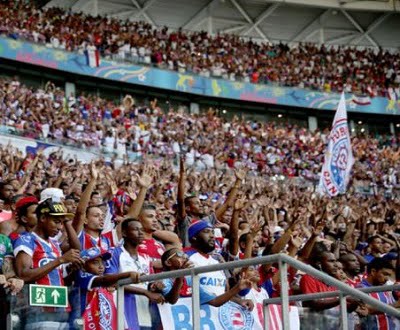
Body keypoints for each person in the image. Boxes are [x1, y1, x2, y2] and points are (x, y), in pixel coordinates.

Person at [13, 198, 83, 330]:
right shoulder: (26, 240)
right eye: (56, 222)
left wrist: (72, 269)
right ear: (43, 217)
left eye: (61, 223)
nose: (60, 227)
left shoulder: (54, 244)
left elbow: (76, 250)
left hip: (60, 308)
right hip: (37, 310)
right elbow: (24, 275)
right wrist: (60, 260)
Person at [105, 218, 164, 330]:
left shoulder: (145, 258)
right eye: (136, 229)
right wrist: (145, 292)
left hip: (144, 311)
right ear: (124, 233)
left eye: (141, 229)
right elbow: (110, 281)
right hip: (123, 310)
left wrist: (154, 286)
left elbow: (149, 283)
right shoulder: (114, 253)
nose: (141, 232)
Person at [186, 220, 253, 308]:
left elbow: (223, 293)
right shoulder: (186, 257)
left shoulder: (217, 261)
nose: (212, 236)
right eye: (206, 232)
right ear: (194, 237)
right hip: (195, 316)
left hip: (218, 317)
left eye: (213, 232)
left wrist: (239, 301)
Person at [76, 247, 140, 330]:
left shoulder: (104, 281)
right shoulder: (82, 276)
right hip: (84, 322)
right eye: (95, 263)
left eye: (102, 262)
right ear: (83, 266)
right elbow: (104, 280)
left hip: (100, 322)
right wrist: (127, 274)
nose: (101, 266)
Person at [358, 258, 400, 329]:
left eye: (389, 275)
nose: (387, 278)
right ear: (373, 272)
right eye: (385, 274)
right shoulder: (360, 289)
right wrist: (397, 304)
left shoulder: (384, 289)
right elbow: (367, 310)